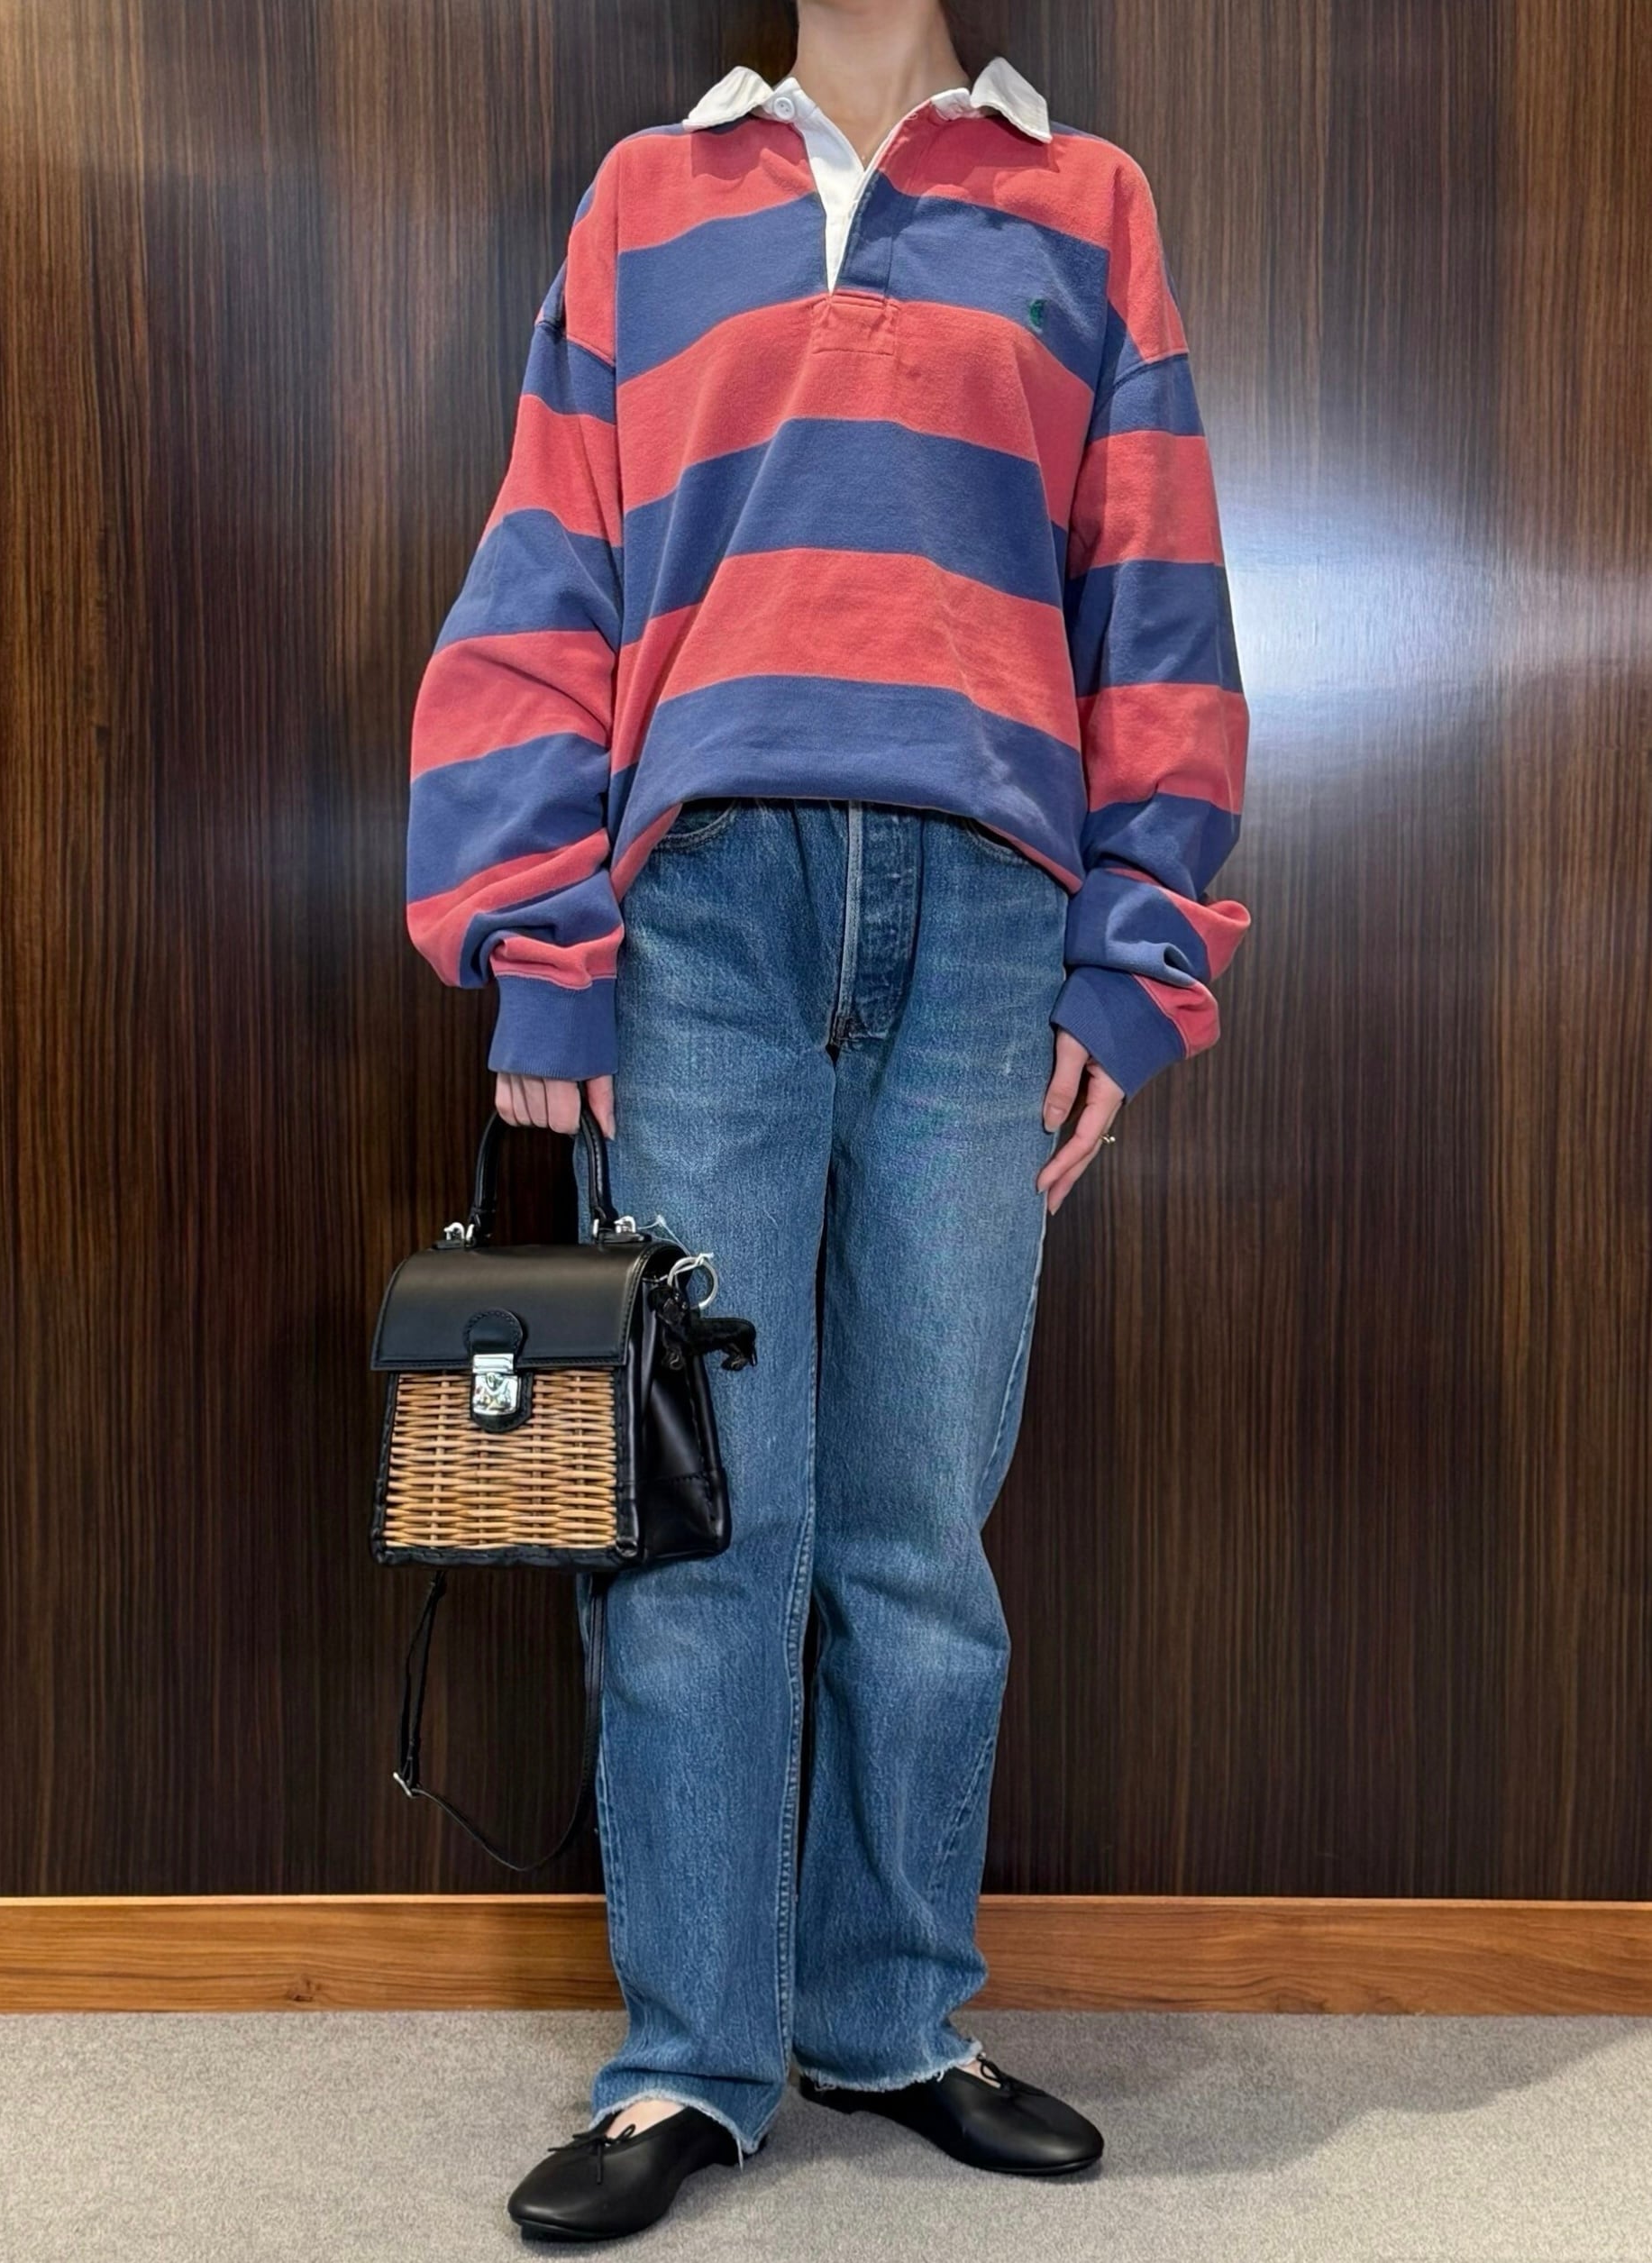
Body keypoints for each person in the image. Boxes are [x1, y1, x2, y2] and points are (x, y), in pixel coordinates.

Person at [406, 0, 1248, 2239]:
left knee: (917, 1517)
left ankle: (890, 2013)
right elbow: (551, 573)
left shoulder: (1088, 205)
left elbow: (1155, 594)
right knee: (700, 1515)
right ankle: (690, 2057)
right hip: (699, 925)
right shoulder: (645, 199)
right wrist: (540, 935)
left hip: (988, 925)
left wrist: (1140, 955)